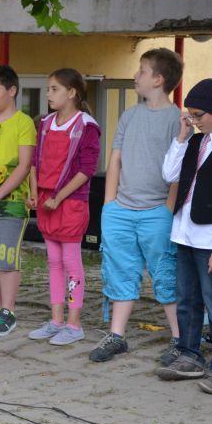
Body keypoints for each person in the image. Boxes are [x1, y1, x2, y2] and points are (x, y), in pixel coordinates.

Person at [88, 48, 183, 363]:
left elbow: (179, 170)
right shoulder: (129, 115)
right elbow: (115, 159)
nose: (135, 76)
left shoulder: (177, 119)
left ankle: (180, 339)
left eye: (142, 71)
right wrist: (109, 205)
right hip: (121, 211)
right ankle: (117, 336)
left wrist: (167, 209)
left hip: (157, 212)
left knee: (165, 273)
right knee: (120, 271)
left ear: (158, 79)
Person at [156, 79, 212, 397]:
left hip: (211, 239)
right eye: (190, 115)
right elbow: (169, 174)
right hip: (185, 233)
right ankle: (189, 354)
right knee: (187, 299)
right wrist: (181, 137)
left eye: (198, 115)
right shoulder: (193, 141)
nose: (194, 121)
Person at [27, 69, 101, 347]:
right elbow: (35, 162)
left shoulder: (86, 126)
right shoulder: (45, 123)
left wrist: (58, 198)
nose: (48, 94)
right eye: (48, 89)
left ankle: (74, 323)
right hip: (47, 202)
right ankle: (56, 320)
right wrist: (34, 193)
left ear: (72, 93)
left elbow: (86, 170)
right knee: (54, 263)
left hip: (70, 203)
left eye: (54, 89)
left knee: (71, 263)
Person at [0, 65, 36, 337]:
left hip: (11, 203)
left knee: (6, 257)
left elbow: (24, 166)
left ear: (11, 90)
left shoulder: (24, 123)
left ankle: (8, 311)